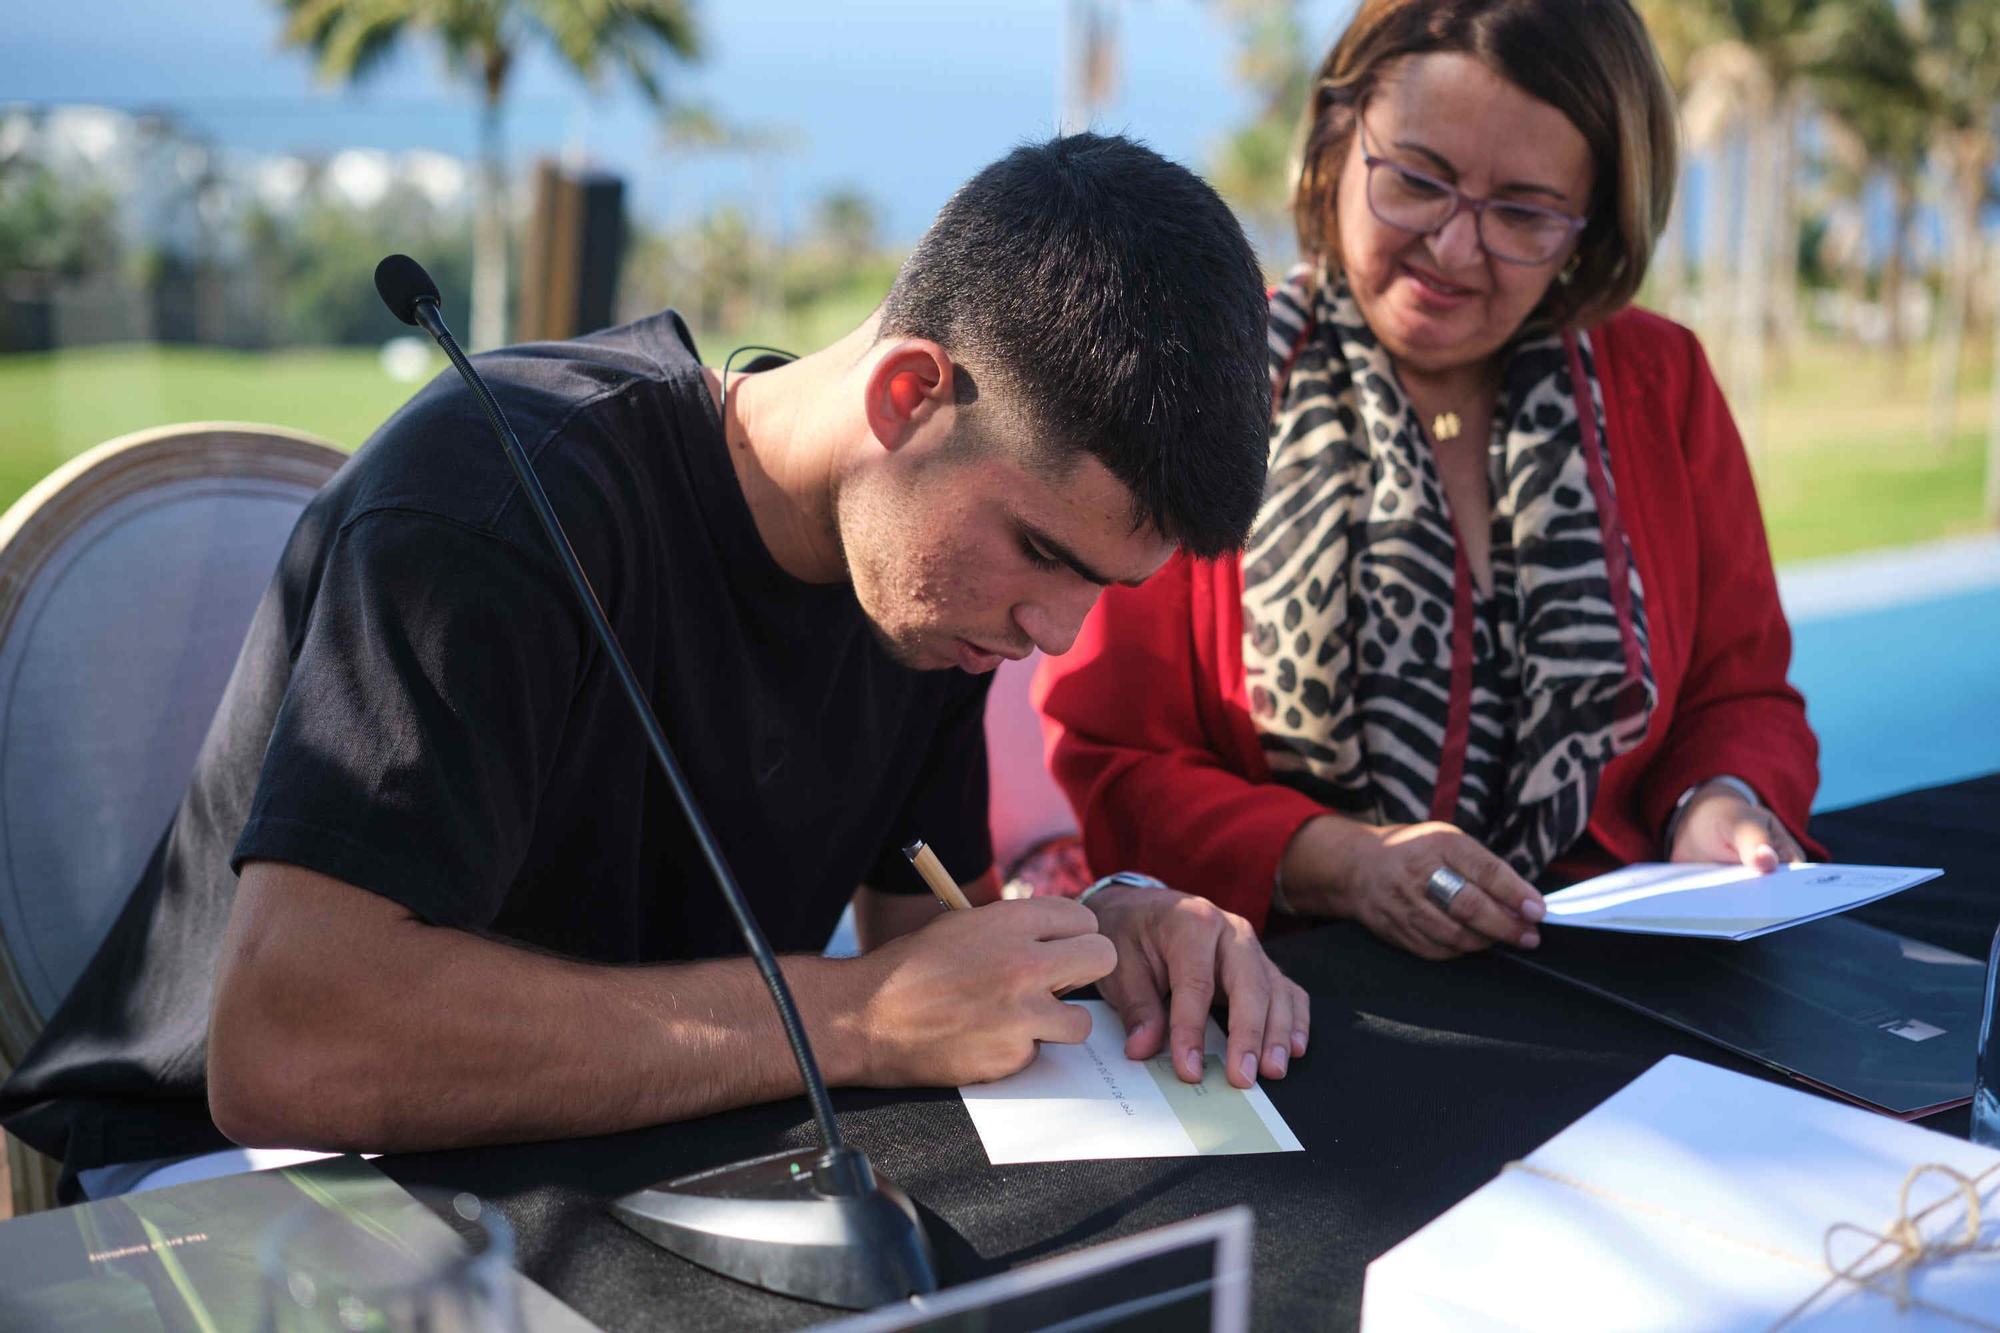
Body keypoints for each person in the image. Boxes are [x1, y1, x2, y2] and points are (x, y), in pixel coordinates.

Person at [0, 133, 1310, 1203]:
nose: (1054, 634)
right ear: (909, 395)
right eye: (1041, 552)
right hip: (239, 1188)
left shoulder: (933, 593)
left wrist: (1108, 928)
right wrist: (846, 1016)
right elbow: (292, 1044)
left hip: (616, 1165)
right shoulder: (497, 503)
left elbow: (934, 939)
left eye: (1102, 588)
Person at [1036, 0, 1821, 964]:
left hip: (1618, 978)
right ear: (1337, 142)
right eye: (1417, 181)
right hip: (1301, 992)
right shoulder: (1207, 383)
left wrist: (1720, 804)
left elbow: (1740, 698)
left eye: (1525, 212)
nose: (1454, 249)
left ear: (1591, 225)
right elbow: (1114, 761)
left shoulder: (1661, 385)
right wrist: (1341, 860)